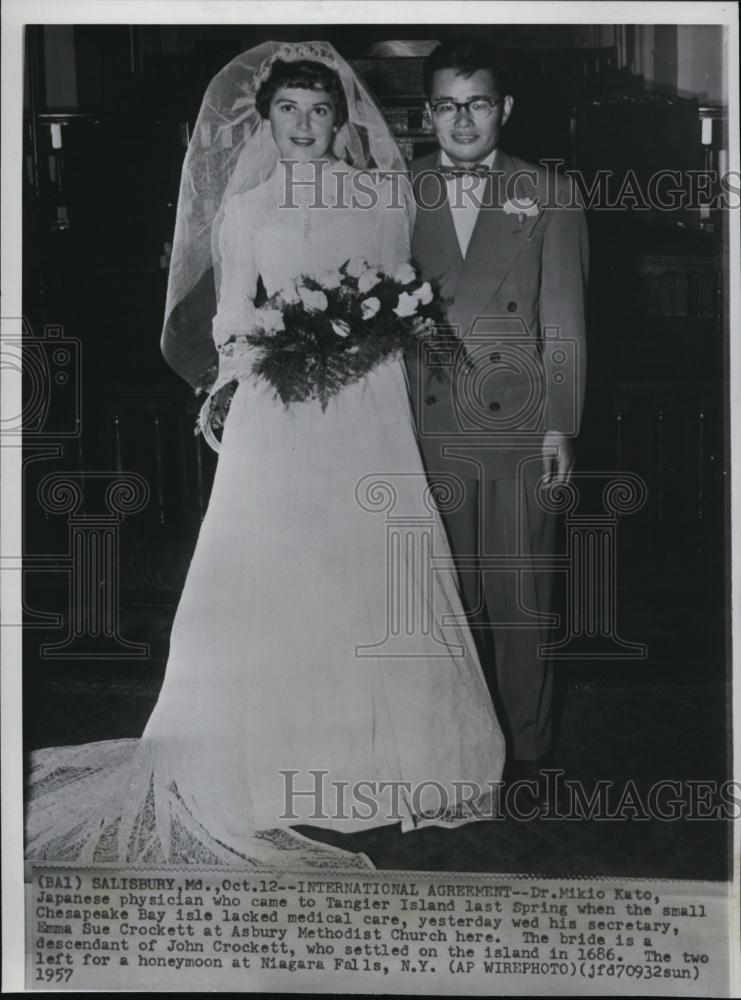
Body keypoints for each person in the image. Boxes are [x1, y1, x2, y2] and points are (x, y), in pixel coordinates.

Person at [25, 41, 505, 868]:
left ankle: (388, 767)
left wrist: (360, 343)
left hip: (365, 410)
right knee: (274, 573)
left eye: (320, 110)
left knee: (366, 568)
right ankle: (263, 768)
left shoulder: (377, 194)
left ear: (340, 117)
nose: (305, 125)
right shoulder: (245, 209)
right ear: (266, 119)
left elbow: (398, 291)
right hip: (280, 415)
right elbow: (229, 319)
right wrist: (244, 370)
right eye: (288, 110)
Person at [405, 40, 588, 779]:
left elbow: (565, 319)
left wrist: (561, 423)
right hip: (426, 422)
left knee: (521, 595)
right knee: (450, 595)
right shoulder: (396, 190)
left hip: (518, 420)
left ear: (503, 109)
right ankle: (459, 741)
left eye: (477, 103)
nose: (462, 120)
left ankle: (529, 743)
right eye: (447, 106)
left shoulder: (549, 192)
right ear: (426, 114)